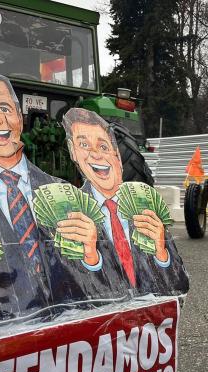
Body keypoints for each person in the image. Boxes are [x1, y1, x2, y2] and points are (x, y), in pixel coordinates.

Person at [0, 61, 121, 327]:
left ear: (19, 115)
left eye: (4, 108)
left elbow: (105, 294)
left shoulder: (63, 192)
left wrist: (91, 255)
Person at [63, 108, 189, 296]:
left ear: (117, 154)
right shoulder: (69, 217)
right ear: (73, 153)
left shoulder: (143, 207)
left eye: (104, 146)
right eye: (85, 145)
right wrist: (91, 257)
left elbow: (179, 285)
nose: (96, 154)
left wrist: (161, 253)